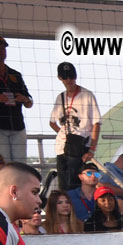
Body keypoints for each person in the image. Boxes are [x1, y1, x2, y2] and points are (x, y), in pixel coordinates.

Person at [49, 62, 101, 193]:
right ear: (60, 78)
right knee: (63, 185)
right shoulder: (60, 97)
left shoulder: (87, 95)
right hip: (62, 146)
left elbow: (97, 122)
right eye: (65, 77)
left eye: (72, 77)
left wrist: (92, 148)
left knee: (75, 184)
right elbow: (52, 122)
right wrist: (64, 134)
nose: (69, 80)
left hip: (80, 146)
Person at [0, 38, 33, 165]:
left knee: (20, 164)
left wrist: (24, 99)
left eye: (3, 48)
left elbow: (29, 102)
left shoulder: (15, 75)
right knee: (4, 165)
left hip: (17, 125)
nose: (1, 51)